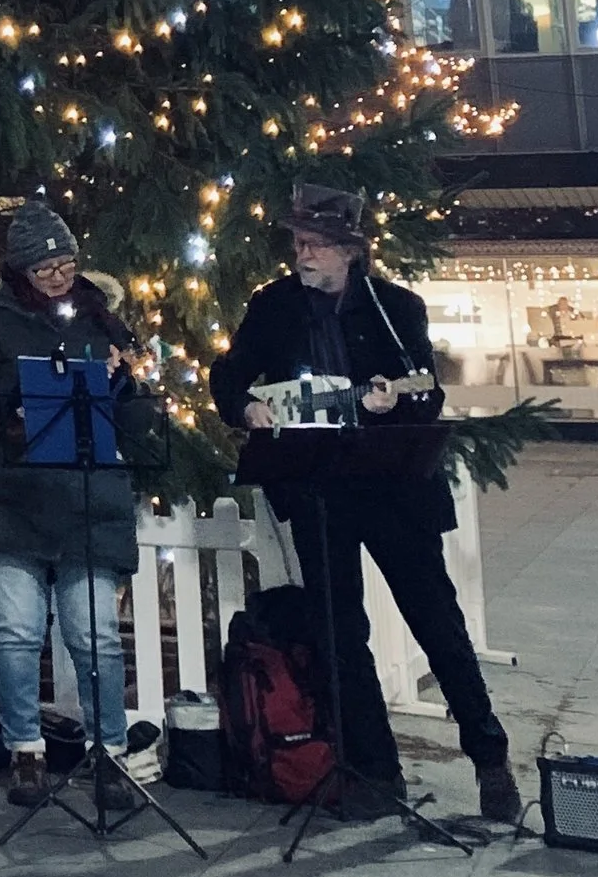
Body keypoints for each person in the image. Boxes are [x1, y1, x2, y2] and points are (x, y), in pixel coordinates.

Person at [212, 178, 521, 826]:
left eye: (317, 245)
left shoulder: (394, 307)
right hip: (319, 490)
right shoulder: (273, 307)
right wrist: (247, 404)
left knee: (436, 622)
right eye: (299, 243)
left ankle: (490, 755)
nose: (304, 255)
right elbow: (230, 373)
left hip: (393, 490)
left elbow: (426, 390)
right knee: (340, 632)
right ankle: (377, 772)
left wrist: (394, 399)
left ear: (350, 250)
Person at [0, 197, 152, 811]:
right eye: (44, 268)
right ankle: (24, 750)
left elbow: (134, 419)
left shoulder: (103, 317)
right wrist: (16, 402)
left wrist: (122, 384)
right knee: (16, 629)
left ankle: (109, 753)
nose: (59, 275)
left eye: (66, 262)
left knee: (96, 635)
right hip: (11, 495)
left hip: (87, 495)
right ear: (19, 272)